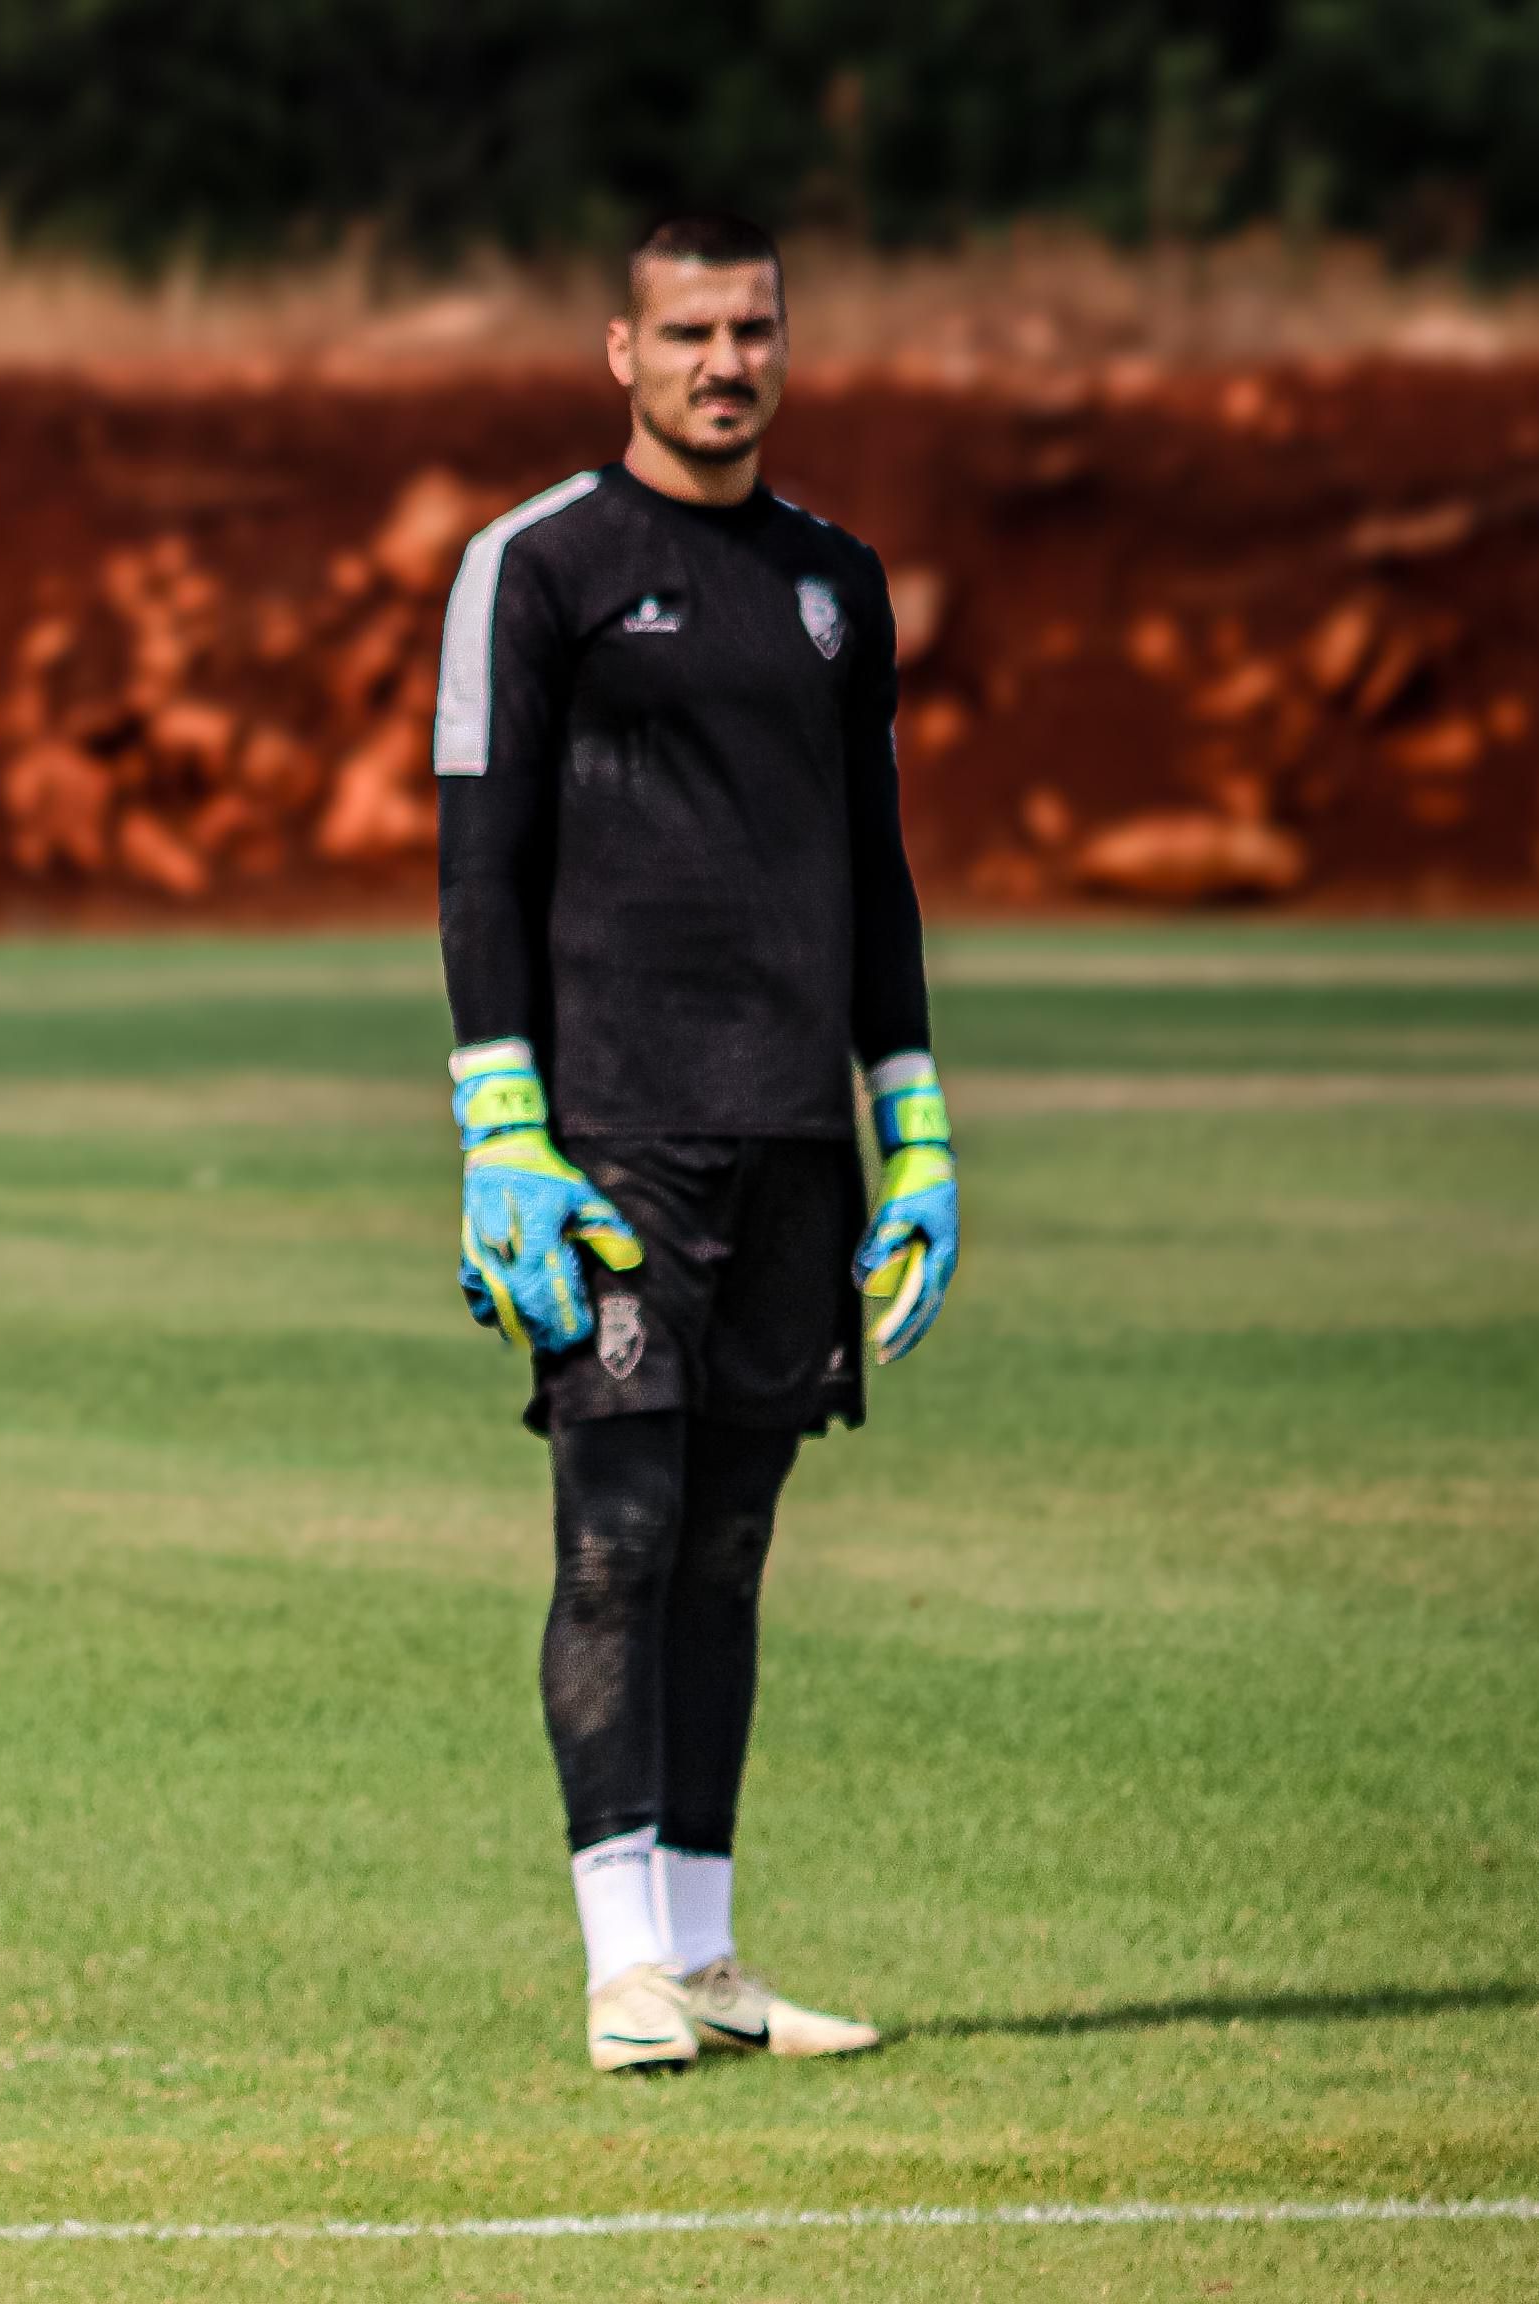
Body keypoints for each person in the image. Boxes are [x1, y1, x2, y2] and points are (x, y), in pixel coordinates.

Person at [431, 211, 963, 2075]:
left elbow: (874, 868)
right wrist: (500, 1124)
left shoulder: (837, 583)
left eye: (751, 330)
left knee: (728, 1546)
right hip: (609, 1139)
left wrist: (912, 1124)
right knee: (618, 1534)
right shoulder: (536, 563)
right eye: (686, 332)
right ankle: (618, 1970)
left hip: (791, 1135)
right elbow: (477, 859)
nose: (723, 361)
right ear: (620, 351)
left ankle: (708, 1955)